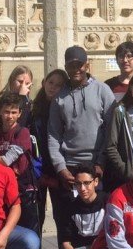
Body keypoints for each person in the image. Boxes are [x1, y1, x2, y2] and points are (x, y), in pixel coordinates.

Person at [47, 46, 115, 213]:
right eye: (71, 66)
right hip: (70, 167)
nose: (76, 69)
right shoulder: (59, 99)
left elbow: (112, 130)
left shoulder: (102, 90)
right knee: (71, 219)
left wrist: (101, 161)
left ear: (87, 65)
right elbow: (53, 135)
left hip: (96, 166)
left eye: (79, 65)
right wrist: (60, 167)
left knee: (98, 218)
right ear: (66, 67)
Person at [0, 92, 40, 249]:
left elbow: (9, 158)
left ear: (20, 113)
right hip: (3, 193)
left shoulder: (23, 133)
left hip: (24, 192)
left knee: (31, 236)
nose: (9, 116)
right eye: (6, 111)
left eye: (13, 112)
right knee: (10, 236)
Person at [45, 163, 105, 249]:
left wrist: (98, 245)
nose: (82, 188)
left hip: (103, 247)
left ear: (95, 182)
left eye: (87, 183)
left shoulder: (107, 200)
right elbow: (64, 241)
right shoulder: (70, 206)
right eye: (78, 184)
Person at [30, 68, 68, 234]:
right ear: (44, 82)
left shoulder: (64, 108)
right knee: (36, 217)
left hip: (58, 169)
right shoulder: (32, 109)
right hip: (37, 170)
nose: (53, 87)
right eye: (51, 82)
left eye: (58, 85)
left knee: (61, 216)